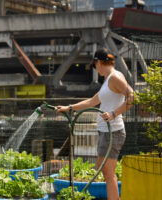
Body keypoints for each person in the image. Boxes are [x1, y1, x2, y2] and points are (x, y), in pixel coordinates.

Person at [56, 48, 134, 200]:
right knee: (104, 170)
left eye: (94, 65)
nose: (95, 68)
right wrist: (69, 108)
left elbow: (132, 97)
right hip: (105, 131)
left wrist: (113, 113)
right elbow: (92, 101)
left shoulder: (115, 77)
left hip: (113, 132)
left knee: (108, 173)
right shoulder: (108, 80)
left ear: (99, 63)